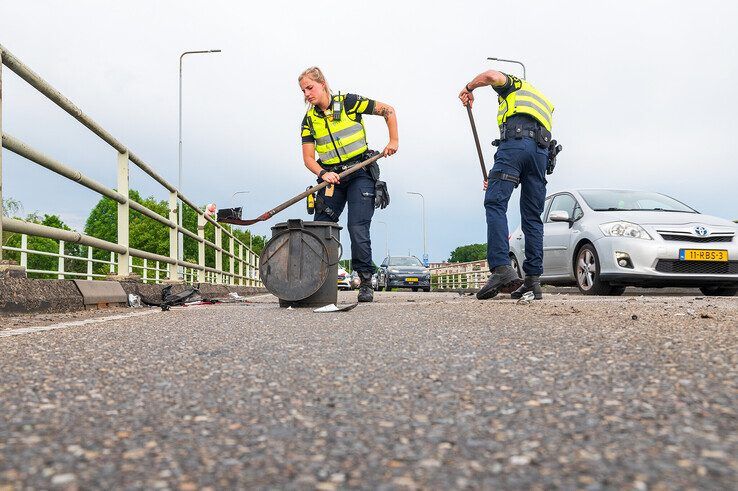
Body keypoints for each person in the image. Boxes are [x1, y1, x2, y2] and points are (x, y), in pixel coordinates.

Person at [299, 67, 398, 302]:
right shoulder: (309, 121)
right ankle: (317, 280)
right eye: (303, 90)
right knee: (321, 227)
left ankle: (365, 281)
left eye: (310, 87)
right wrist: (323, 173)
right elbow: (308, 158)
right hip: (332, 177)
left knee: (357, 227)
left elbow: (389, 111)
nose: (307, 94)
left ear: (322, 83)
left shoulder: (349, 103)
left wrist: (393, 140)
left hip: (360, 172)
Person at [459, 69, 555, 300]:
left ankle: (501, 267)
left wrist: (469, 87)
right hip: (540, 154)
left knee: (495, 202)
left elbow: (491, 75)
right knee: (532, 216)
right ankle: (533, 280)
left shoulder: (515, 85)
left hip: (515, 145)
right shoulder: (544, 102)